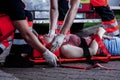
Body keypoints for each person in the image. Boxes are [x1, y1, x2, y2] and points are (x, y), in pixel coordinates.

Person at [0, 0, 58, 67]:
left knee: (24, 16)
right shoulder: (14, 3)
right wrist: (45, 52)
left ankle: (16, 56)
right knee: (25, 18)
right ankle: (18, 57)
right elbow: (26, 34)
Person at [44, 27, 120, 59]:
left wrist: (100, 35)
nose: (46, 34)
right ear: (50, 44)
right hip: (110, 46)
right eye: (46, 37)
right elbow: (92, 51)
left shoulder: (62, 38)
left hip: (110, 40)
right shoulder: (65, 49)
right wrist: (99, 34)